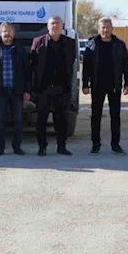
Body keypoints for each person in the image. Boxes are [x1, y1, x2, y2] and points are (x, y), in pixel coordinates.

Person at [81, 17, 128, 155]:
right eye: (103, 27)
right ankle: (95, 145)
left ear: (112, 28)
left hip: (114, 85)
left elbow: (125, 65)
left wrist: (127, 83)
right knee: (95, 116)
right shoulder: (92, 44)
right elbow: (86, 66)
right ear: (99, 29)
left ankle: (115, 145)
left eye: (108, 27)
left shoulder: (119, 45)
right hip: (97, 85)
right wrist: (85, 84)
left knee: (115, 116)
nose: (105, 30)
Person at [30, 16, 76, 156]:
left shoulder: (70, 43)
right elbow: (32, 65)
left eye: (58, 23)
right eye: (52, 23)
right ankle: (42, 147)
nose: (55, 26)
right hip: (43, 88)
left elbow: (72, 63)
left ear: (62, 26)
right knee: (42, 120)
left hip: (62, 88)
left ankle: (61, 146)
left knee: (62, 119)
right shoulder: (38, 42)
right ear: (48, 26)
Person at [0, 22, 31, 156]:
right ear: (0, 33)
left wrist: (27, 90)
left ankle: (17, 147)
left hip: (17, 91)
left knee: (18, 121)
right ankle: (0, 147)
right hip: (0, 92)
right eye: (4, 31)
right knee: (0, 121)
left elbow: (27, 72)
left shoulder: (20, 50)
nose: (7, 34)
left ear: (14, 33)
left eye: (9, 31)